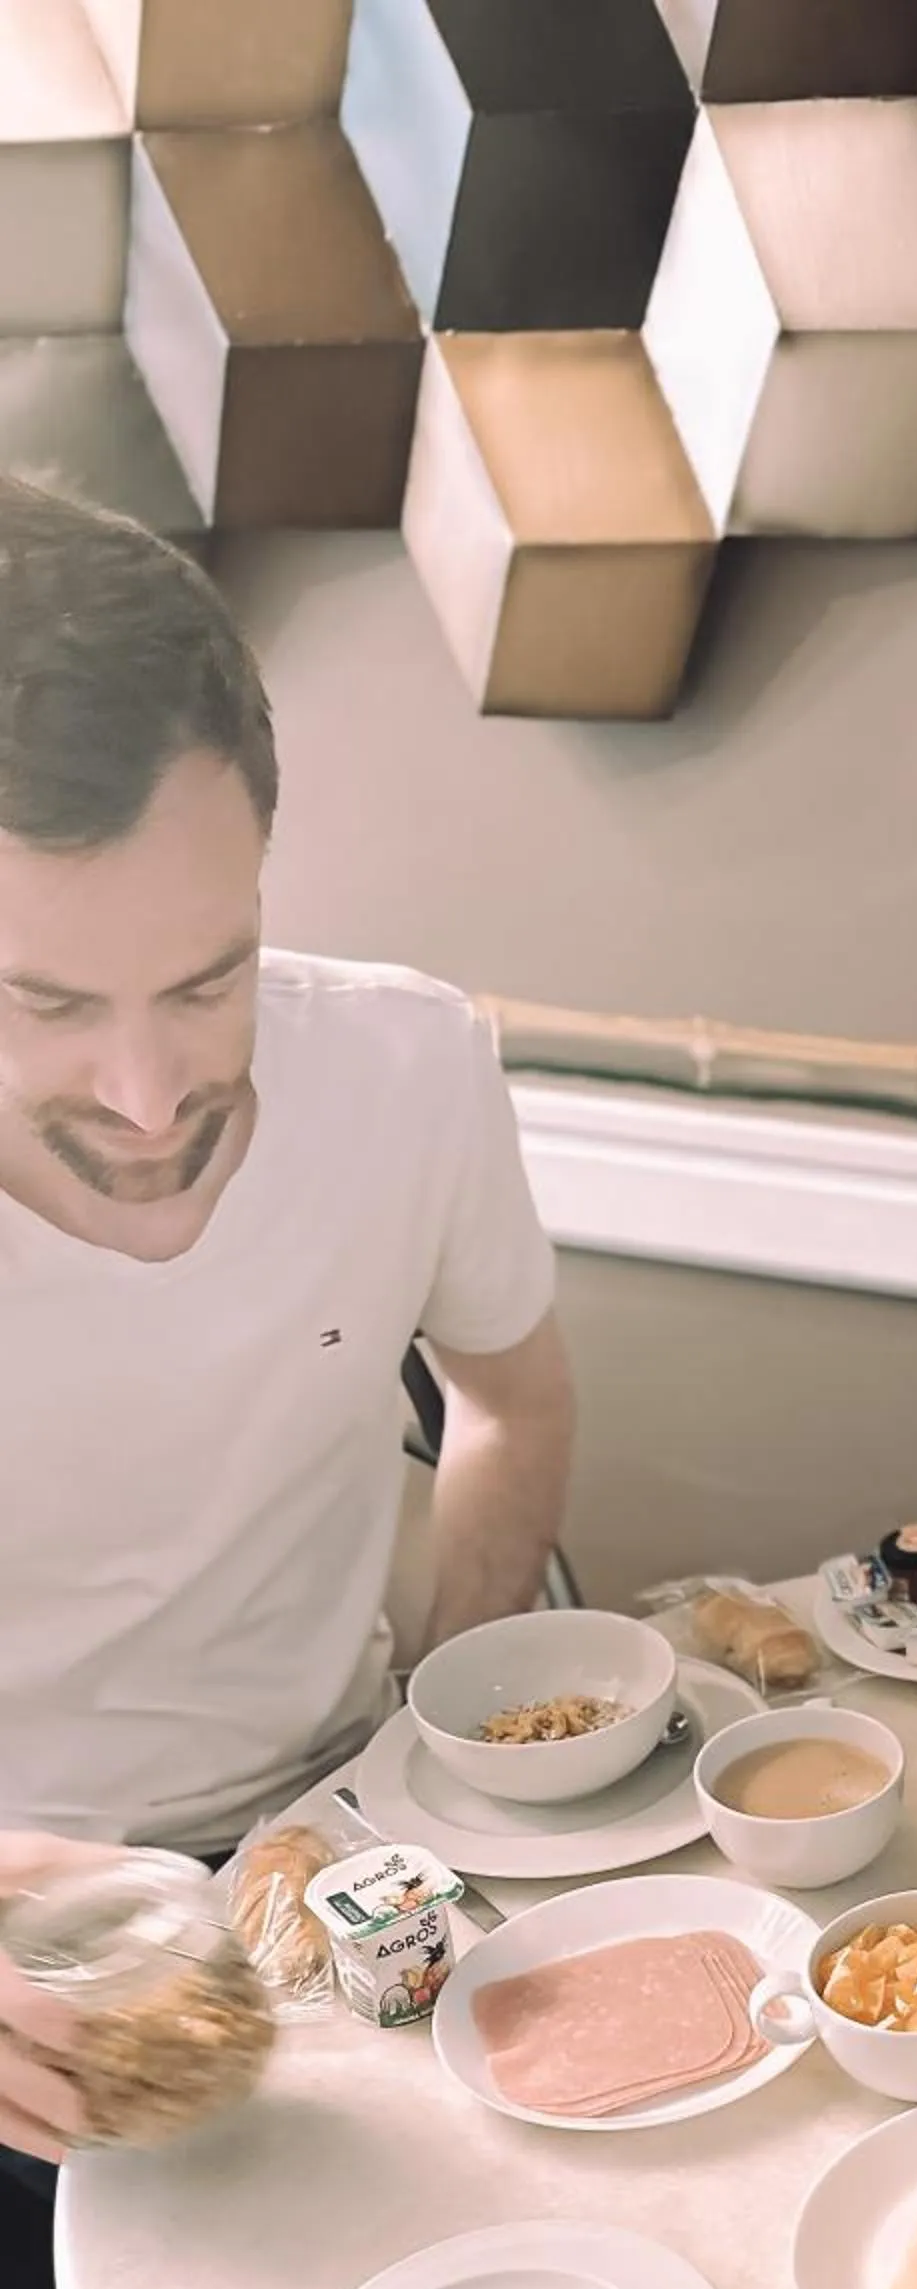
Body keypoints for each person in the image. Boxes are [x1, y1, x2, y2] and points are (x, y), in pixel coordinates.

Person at [0, 473, 574, 1864]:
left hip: (338, 1829)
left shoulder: (411, 1066)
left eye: (209, 982)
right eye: (49, 1006)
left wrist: (451, 1748)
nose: (147, 1102)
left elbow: (511, 1405)